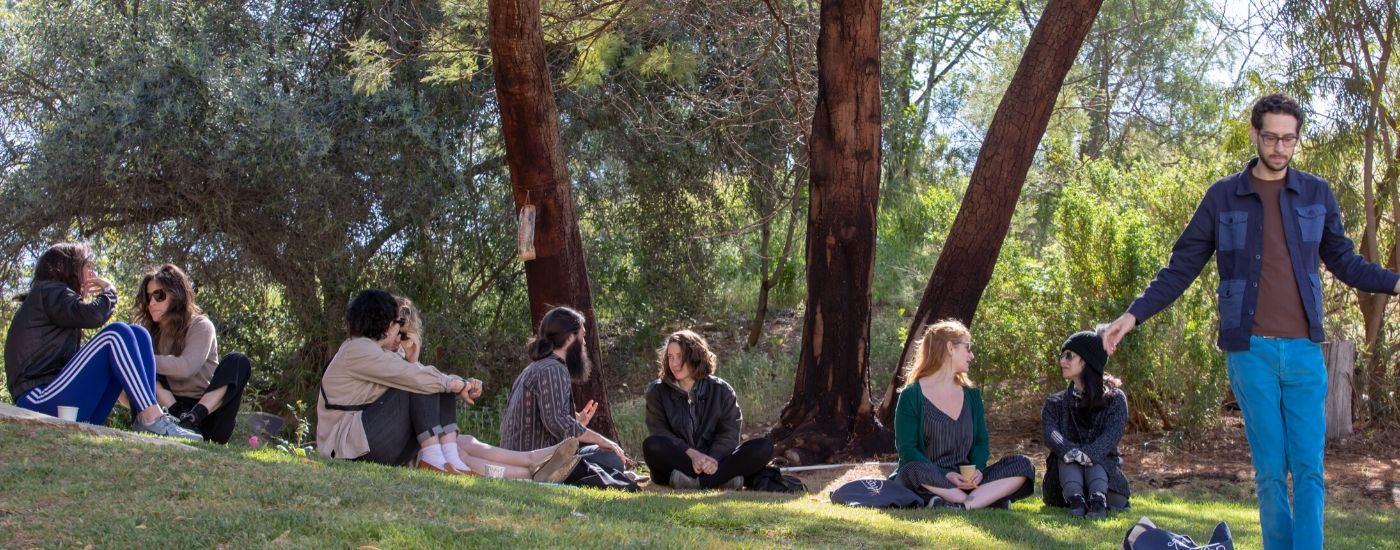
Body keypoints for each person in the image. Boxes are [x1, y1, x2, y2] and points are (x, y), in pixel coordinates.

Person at [1101, 94, 1400, 550]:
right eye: (1272, 137)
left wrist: (1394, 284)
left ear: (1297, 139)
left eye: (1289, 139)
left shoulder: (1316, 193)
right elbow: (1181, 267)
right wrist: (1132, 315)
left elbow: (1345, 262)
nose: (1280, 148)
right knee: (1269, 471)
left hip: (1304, 351)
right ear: (1254, 135)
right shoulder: (1223, 196)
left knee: (1309, 467)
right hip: (1250, 352)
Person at [316, 290, 579, 482]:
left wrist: (440, 376)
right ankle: (521, 466)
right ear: (385, 324)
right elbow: (414, 379)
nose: (400, 334)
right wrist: (455, 383)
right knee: (431, 386)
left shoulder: (375, 353)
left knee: (453, 426)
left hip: (364, 442)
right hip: (350, 448)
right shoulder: (358, 349)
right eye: (398, 326)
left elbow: (418, 375)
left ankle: (529, 469)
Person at [4, 242, 199, 440]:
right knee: (117, 334)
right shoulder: (48, 291)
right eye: (88, 266)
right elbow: (94, 315)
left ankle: (144, 417)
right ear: (70, 268)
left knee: (138, 334)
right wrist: (109, 291)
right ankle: (153, 417)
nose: (93, 273)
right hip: (38, 398)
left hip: (62, 401)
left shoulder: (55, 301)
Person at [890, 320, 1034, 509]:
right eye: (967, 348)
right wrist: (945, 475)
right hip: (930, 478)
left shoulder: (971, 394)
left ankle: (962, 505)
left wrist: (977, 471)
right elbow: (908, 450)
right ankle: (982, 500)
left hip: (967, 482)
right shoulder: (911, 395)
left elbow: (981, 441)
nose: (971, 355)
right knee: (912, 469)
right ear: (950, 347)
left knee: (1022, 464)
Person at [499, 306, 629, 475]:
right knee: (612, 457)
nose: (583, 343)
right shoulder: (553, 369)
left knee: (606, 454)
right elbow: (555, 420)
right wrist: (602, 440)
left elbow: (548, 415)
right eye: (581, 336)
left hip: (526, 457)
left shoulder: (538, 367)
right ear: (569, 338)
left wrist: (576, 421)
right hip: (536, 464)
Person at [130, 264, 251, 443]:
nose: (152, 303)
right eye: (148, 297)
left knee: (238, 361)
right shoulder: (147, 334)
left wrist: (143, 360)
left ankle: (192, 419)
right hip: (169, 414)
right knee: (141, 363)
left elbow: (187, 367)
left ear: (176, 294)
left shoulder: (201, 325)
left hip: (207, 414)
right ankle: (179, 417)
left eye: (159, 295)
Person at [643, 330, 774, 490]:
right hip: (680, 461)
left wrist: (713, 459)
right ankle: (723, 480)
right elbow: (660, 432)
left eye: (680, 356)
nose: (674, 363)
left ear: (695, 356)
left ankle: (695, 482)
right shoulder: (657, 391)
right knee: (652, 445)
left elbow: (729, 433)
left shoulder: (721, 390)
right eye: (670, 357)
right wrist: (693, 454)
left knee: (763, 447)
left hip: (716, 462)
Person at [1041, 330, 1130, 518]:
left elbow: (1110, 438)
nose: (1062, 361)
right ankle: (1076, 502)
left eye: (1069, 356)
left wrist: (1087, 455)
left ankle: (1098, 501)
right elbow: (1051, 434)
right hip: (1063, 484)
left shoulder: (1115, 400)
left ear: (1087, 361)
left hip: (1106, 481)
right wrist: (1071, 451)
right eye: (1062, 356)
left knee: (1094, 460)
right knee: (1066, 458)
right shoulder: (1054, 403)